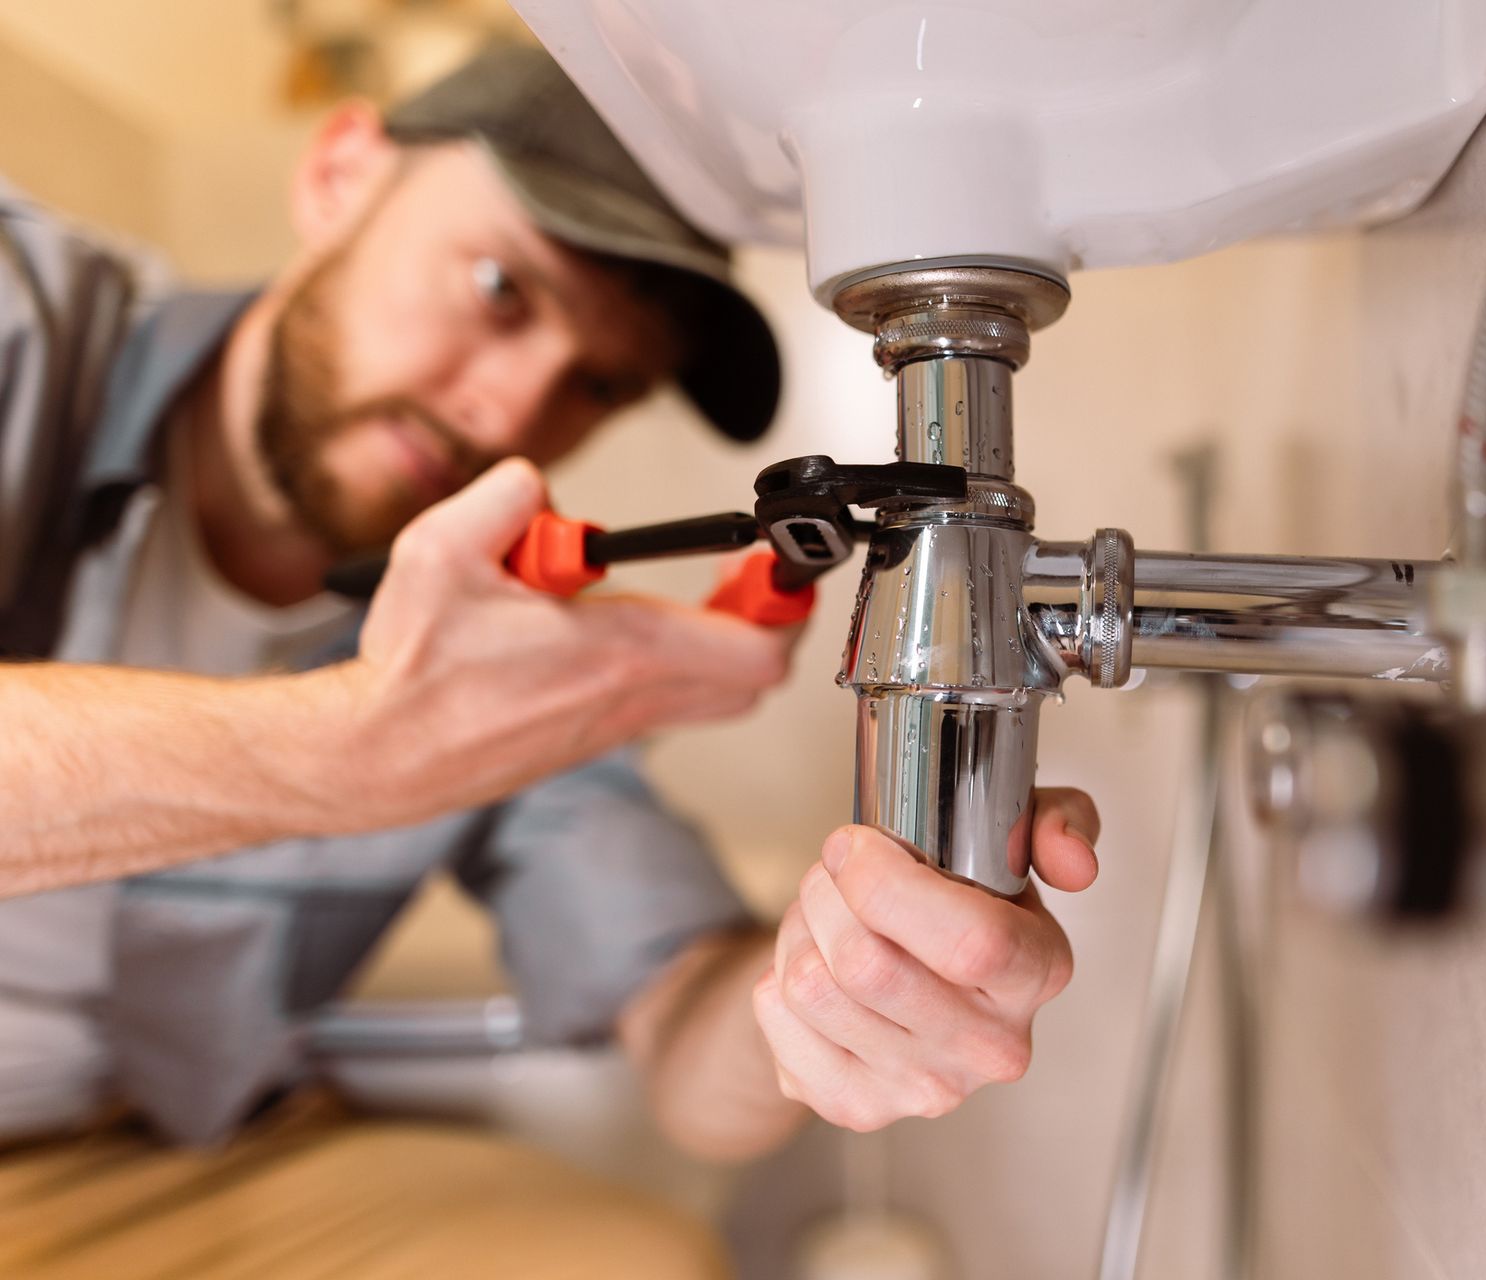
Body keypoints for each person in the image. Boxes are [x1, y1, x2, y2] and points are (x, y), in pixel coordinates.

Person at [0, 42, 1098, 1273]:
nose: (514, 410)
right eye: (499, 287)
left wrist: (827, 1005)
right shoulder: (19, 324)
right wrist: (358, 747)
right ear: (341, 173)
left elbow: (687, 1035)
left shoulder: (496, 639)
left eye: (598, 380)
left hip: (190, 1158)